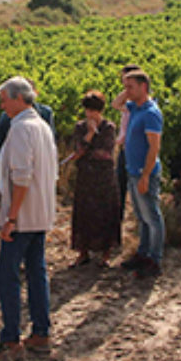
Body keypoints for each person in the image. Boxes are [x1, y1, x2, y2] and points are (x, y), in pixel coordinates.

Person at [0, 76, 57, 361]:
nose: (2, 104)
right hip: (41, 214)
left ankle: (10, 338)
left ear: (19, 98)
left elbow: (22, 176)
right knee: (37, 272)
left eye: (4, 98)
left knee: (7, 275)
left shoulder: (20, 130)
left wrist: (11, 218)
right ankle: (41, 332)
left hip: (23, 217)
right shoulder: (42, 126)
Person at [119, 70, 165, 278]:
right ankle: (143, 253)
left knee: (152, 217)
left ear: (143, 87)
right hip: (133, 171)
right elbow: (115, 104)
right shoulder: (134, 107)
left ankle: (154, 260)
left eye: (130, 87)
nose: (126, 91)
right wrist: (128, 91)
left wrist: (146, 175)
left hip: (144, 173)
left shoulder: (150, 113)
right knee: (142, 217)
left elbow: (154, 148)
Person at [69, 90, 120, 268]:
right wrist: (89, 135)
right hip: (85, 176)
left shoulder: (108, 128)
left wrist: (86, 150)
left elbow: (105, 152)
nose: (90, 114)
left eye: (93, 111)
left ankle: (105, 254)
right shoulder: (80, 127)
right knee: (84, 212)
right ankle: (83, 252)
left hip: (104, 177)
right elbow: (78, 150)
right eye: (88, 110)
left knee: (105, 212)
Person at [0, 78, 55, 194]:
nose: (2, 106)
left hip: (37, 173)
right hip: (16, 172)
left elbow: (51, 144)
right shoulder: (7, 117)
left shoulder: (42, 115)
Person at [110, 64, 142, 222]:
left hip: (136, 150)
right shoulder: (129, 103)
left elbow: (115, 104)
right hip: (124, 148)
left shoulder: (139, 103)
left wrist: (130, 89)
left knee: (137, 192)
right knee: (119, 189)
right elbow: (115, 104)